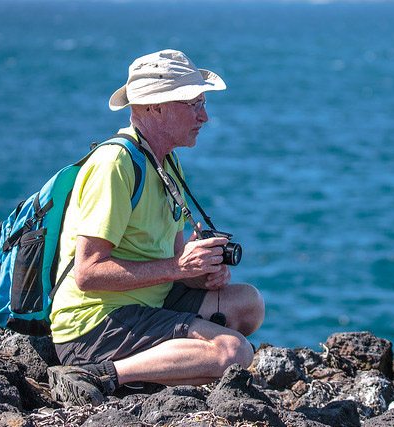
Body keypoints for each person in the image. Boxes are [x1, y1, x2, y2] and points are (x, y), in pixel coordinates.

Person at [47, 49, 265, 407]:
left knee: (248, 303)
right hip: (94, 325)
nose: (205, 116)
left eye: (203, 103)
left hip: (150, 300)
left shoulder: (165, 161)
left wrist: (199, 272)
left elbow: (171, 261)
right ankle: (100, 375)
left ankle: (160, 366)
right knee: (233, 352)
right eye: (193, 104)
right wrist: (179, 268)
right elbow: (88, 273)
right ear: (156, 107)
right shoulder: (115, 164)